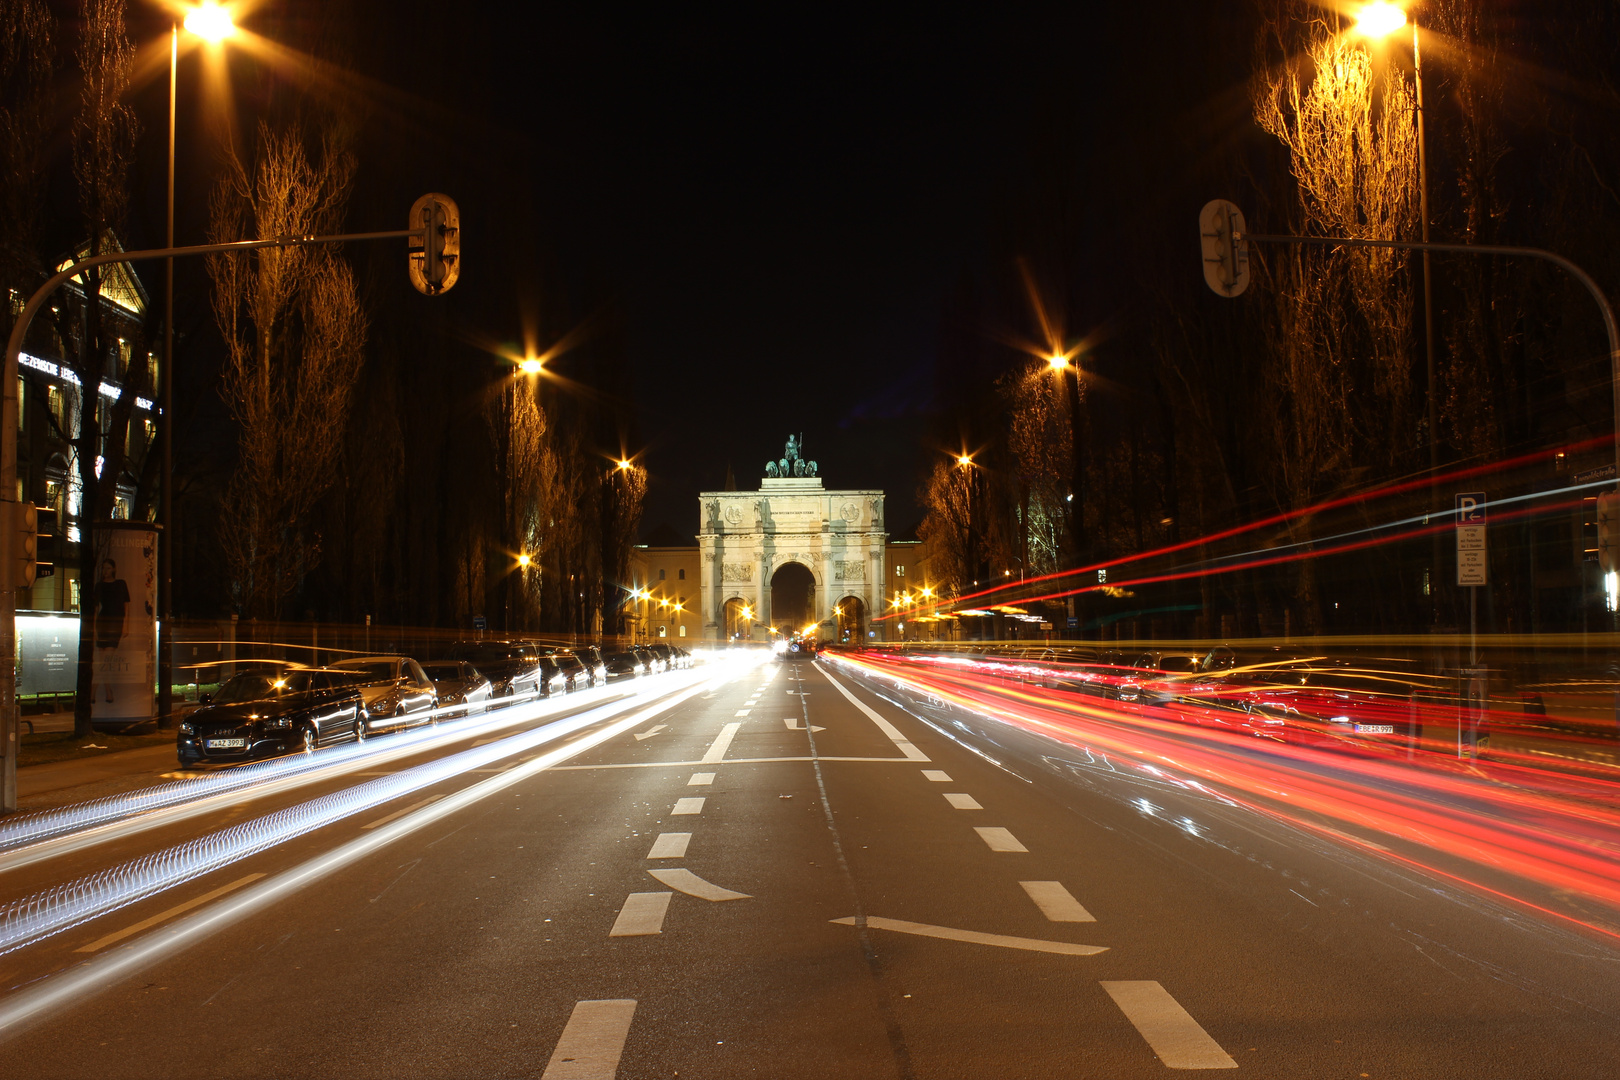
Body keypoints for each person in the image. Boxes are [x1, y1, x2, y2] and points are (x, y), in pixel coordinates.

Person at [94, 558, 130, 703]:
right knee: (103, 662)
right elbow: (96, 609)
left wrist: (126, 625)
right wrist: (95, 630)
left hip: (115, 624)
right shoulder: (99, 586)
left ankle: (97, 691)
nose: (105, 571)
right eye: (104, 568)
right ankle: (107, 692)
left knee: (104, 661)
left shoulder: (121, 584)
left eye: (108, 568)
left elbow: (126, 606)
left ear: (113, 569)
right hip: (102, 623)